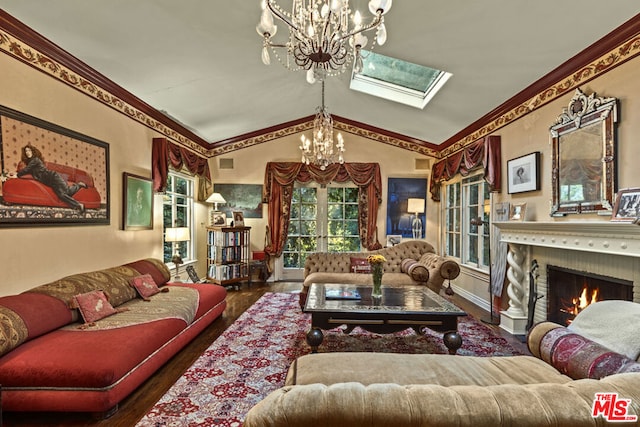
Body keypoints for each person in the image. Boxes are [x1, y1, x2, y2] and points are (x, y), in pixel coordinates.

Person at [12, 144, 87, 212]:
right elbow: (27, 171)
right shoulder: (31, 162)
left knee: (62, 195)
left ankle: (79, 205)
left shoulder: (35, 160)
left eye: (29, 150)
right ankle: (79, 185)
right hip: (50, 182)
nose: (27, 152)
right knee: (67, 192)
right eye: (26, 151)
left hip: (53, 177)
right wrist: (16, 173)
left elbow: (27, 169)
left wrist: (17, 175)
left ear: (33, 152)